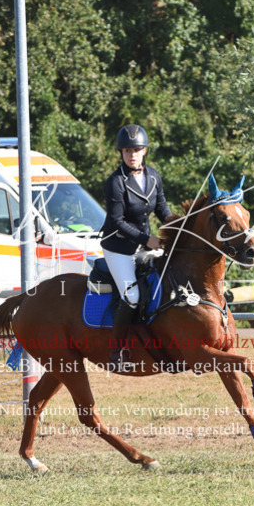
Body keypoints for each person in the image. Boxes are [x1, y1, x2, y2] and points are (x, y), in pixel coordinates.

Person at [101, 124, 173, 369]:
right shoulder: (115, 182)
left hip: (143, 245)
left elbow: (162, 208)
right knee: (132, 296)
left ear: (145, 151)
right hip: (118, 247)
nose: (132, 154)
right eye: (127, 150)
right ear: (121, 153)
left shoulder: (153, 176)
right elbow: (117, 222)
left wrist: (177, 225)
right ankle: (117, 352)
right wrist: (147, 240)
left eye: (137, 150)